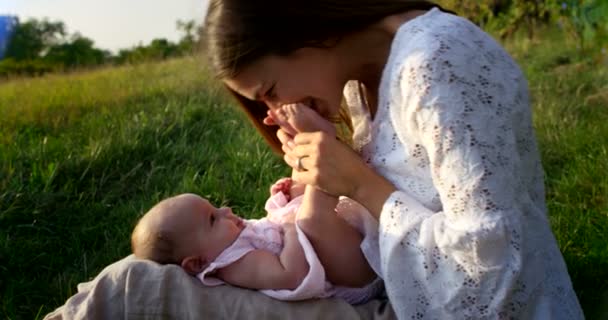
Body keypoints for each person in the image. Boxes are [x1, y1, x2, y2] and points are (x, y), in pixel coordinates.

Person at [204, 0, 585, 318]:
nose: (275, 111)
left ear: (303, 30)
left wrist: (357, 183)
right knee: (166, 270)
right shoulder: (361, 82)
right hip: (396, 298)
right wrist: (324, 171)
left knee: (158, 287)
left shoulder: (436, 60)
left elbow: (492, 262)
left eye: (270, 91)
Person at [130, 105, 383, 304]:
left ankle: (306, 148)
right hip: (350, 280)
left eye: (215, 207)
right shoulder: (233, 265)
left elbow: (270, 229)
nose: (226, 211)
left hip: (336, 253)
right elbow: (291, 274)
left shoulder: (228, 241)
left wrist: (283, 201)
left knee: (297, 190)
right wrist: (293, 227)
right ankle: (321, 144)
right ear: (198, 263)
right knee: (309, 220)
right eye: (212, 219)